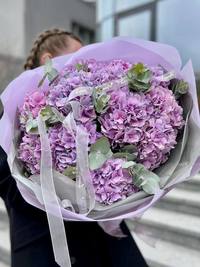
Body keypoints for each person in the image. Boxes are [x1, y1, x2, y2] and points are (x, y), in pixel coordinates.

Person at [0, 28, 148, 267]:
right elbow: (7, 183)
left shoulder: (94, 107)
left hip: (100, 238)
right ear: (48, 60)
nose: (87, 65)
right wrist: (52, 174)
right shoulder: (11, 117)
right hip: (42, 243)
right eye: (78, 57)